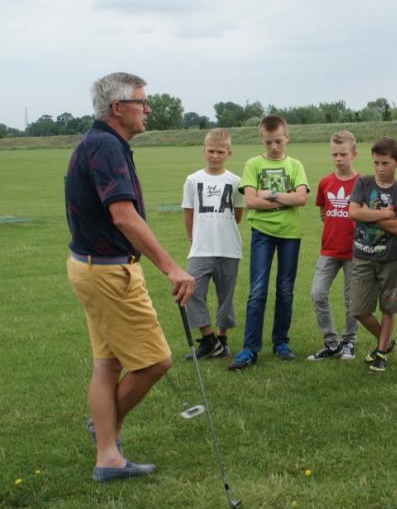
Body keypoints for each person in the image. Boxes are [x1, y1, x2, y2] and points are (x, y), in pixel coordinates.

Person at [65, 72, 195, 482]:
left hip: (90, 266)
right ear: (117, 107)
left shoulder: (100, 142)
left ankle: (107, 452)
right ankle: (106, 440)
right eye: (141, 101)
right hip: (108, 271)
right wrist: (172, 267)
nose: (148, 109)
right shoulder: (105, 146)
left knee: (108, 364)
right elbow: (123, 214)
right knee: (155, 361)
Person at [228, 115, 309, 370]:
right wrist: (284, 197)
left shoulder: (295, 165)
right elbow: (250, 201)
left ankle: (281, 342)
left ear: (287, 137)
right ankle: (250, 349)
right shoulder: (253, 163)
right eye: (268, 142)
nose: (274, 147)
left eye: (278, 141)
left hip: (290, 234)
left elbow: (301, 199)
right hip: (262, 232)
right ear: (261, 139)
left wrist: (270, 194)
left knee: (285, 290)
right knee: (257, 290)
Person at [349, 138, 397, 374]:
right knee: (358, 309)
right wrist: (385, 213)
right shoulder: (363, 184)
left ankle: (382, 352)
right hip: (362, 256)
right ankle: (387, 340)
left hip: (390, 259)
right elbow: (353, 213)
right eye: (376, 162)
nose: (379, 168)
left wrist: (370, 212)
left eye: (385, 163)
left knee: (389, 307)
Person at [181, 128, 245, 360]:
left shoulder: (236, 181)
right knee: (191, 292)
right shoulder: (193, 180)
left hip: (228, 248)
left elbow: (237, 215)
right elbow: (188, 212)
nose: (215, 155)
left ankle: (222, 341)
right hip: (200, 248)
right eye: (211, 151)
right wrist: (192, 238)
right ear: (203, 151)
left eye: (220, 151)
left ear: (229, 153)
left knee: (225, 297)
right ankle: (208, 340)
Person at [307, 131, 360, 361]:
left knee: (352, 300)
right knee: (317, 293)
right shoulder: (325, 182)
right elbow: (323, 211)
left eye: (343, 154)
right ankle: (331, 344)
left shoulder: (362, 184)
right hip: (329, 250)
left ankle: (349, 342)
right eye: (334, 154)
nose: (338, 158)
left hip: (355, 252)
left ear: (354, 154)